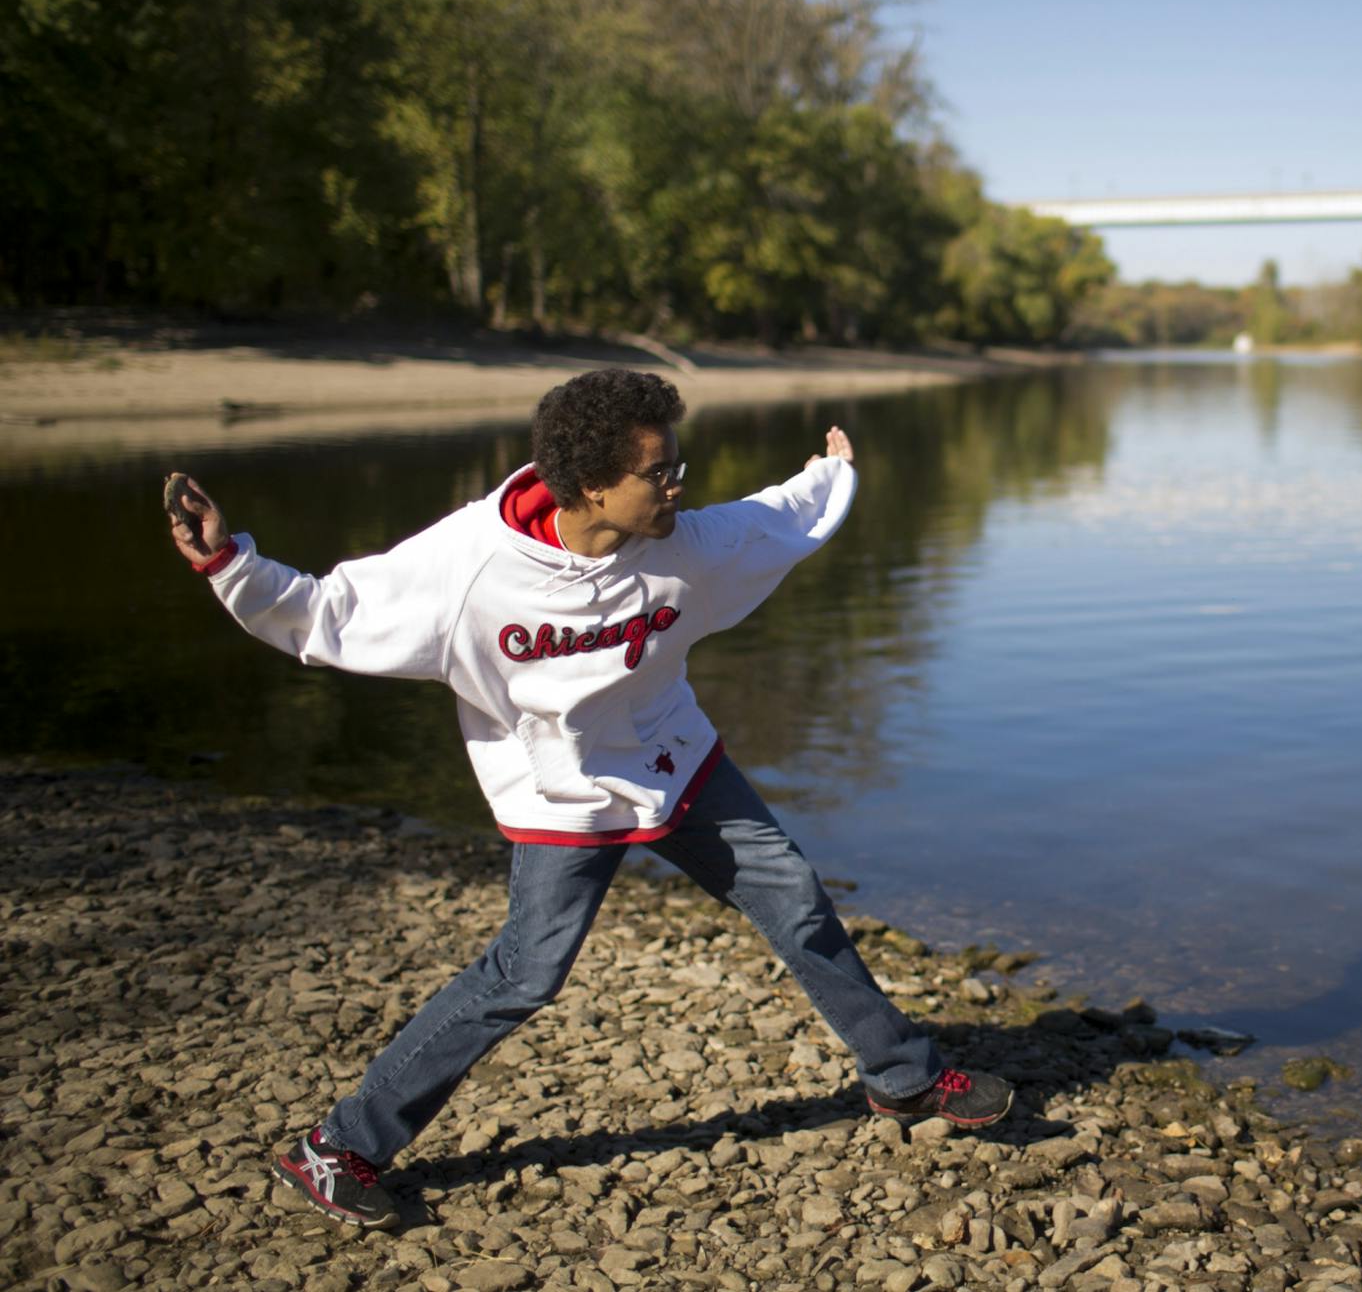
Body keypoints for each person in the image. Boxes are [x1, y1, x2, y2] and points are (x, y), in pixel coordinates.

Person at [164, 369, 1011, 1230]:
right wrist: (228, 563)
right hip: (560, 789)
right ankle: (339, 1146)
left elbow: (776, 521)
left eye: (679, 465)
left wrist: (831, 475)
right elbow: (326, 613)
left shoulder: (683, 542)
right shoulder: (468, 567)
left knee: (793, 896)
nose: (679, 485)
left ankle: (900, 1076)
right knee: (525, 975)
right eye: (660, 473)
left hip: (673, 757)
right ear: (592, 486)